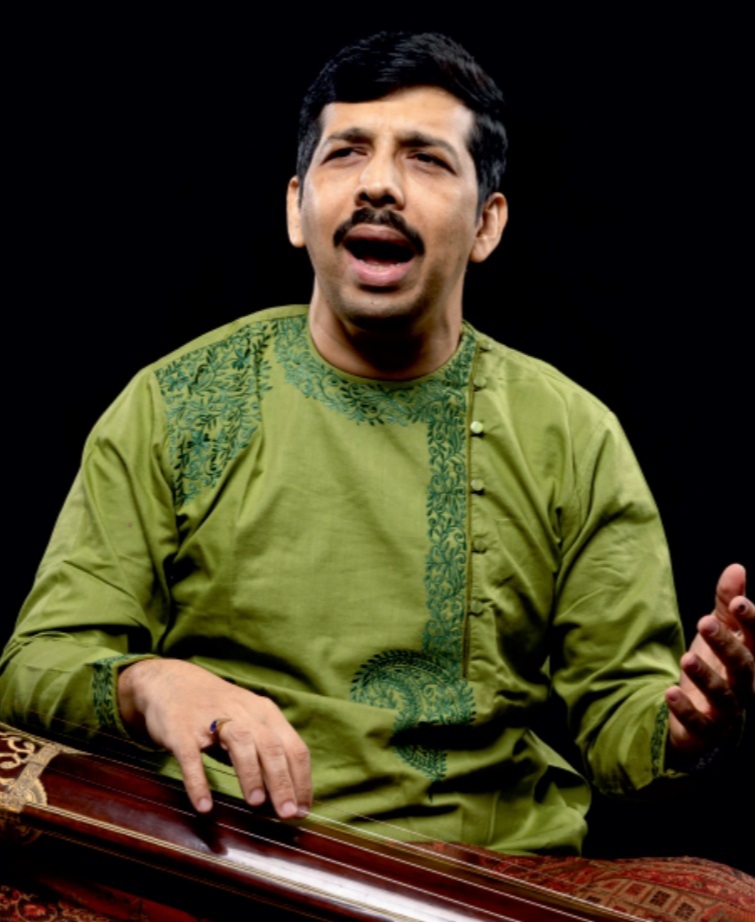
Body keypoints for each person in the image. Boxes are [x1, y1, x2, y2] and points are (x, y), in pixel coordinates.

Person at [0, 31, 752, 857]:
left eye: (425, 159)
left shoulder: (570, 435)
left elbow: (621, 727)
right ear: (296, 208)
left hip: (483, 878)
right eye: (346, 153)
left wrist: (684, 729)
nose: (379, 185)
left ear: (486, 224)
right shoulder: (177, 404)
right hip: (219, 860)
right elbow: (36, 663)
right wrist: (153, 684)